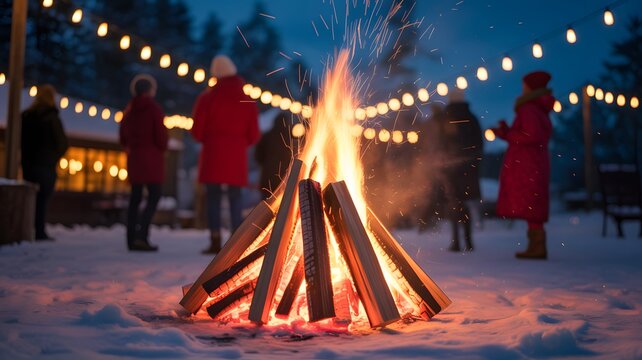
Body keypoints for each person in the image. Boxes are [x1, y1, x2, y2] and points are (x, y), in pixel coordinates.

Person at [192, 55, 260, 254]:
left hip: (213, 154)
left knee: (212, 197)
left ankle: (215, 240)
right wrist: (239, 144)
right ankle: (236, 243)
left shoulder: (206, 98)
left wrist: (212, 140)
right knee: (235, 198)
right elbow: (254, 134)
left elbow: (197, 131)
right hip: (236, 155)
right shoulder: (246, 98)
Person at [492, 71, 554, 259]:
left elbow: (531, 135)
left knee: (531, 204)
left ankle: (537, 247)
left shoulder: (529, 108)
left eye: (525, 85)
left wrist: (507, 135)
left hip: (528, 164)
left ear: (531, 87)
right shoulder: (538, 109)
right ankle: (536, 245)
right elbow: (532, 133)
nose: (522, 88)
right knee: (533, 204)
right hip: (535, 162)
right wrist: (507, 132)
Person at [119, 74, 168, 252]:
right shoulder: (154, 109)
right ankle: (142, 236)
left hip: (134, 160)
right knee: (154, 196)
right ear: (149, 90)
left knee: (135, 198)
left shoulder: (129, 111)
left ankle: (131, 238)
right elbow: (161, 138)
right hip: (152, 160)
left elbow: (123, 137)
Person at [21, 84, 68, 240]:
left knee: (29, 198)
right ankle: (39, 231)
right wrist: (52, 157)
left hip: (29, 164)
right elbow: (62, 143)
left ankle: (26, 229)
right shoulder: (51, 118)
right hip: (46, 166)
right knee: (42, 199)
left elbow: (20, 140)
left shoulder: (27, 116)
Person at [443, 88, 483, 252]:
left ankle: (457, 242)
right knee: (464, 204)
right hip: (469, 168)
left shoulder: (448, 118)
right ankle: (468, 241)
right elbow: (479, 144)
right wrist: (474, 163)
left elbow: (442, 143)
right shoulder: (471, 118)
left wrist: (445, 162)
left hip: (453, 168)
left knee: (455, 203)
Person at [255, 111, 298, 200]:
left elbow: (258, 156)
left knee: (266, 205)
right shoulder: (291, 138)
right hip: (285, 178)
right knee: (283, 205)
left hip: (268, 178)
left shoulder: (267, 136)